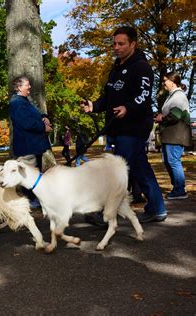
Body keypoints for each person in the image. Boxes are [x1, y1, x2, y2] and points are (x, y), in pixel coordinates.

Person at [81, 26, 166, 224]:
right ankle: (157, 208)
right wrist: (93, 106)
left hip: (133, 128)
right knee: (138, 167)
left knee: (118, 171)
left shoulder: (142, 67)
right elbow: (108, 98)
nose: (116, 48)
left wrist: (128, 108)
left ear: (133, 44)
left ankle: (105, 214)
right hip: (117, 128)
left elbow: (144, 96)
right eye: (114, 44)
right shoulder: (116, 68)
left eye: (121, 44)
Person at [9, 75, 52, 207]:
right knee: (28, 174)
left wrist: (44, 117)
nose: (30, 87)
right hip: (27, 146)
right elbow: (27, 123)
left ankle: (34, 199)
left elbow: (35, 115)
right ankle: (30, 201)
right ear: (19, 87)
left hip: (34, 145)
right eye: (27, 84)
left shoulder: (24, 101)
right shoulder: (17, 103)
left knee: (35, 171)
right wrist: (43, 127)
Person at [154, 71, 191, 199]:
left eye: (165, 81)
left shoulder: (178, 96)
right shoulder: (172, 95)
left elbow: (175, 115)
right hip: (170, 134)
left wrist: (161, 118)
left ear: (173, 81)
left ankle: (180, 190)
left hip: (176, 134)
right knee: (168, 161)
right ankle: (177, 187)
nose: (163, 83)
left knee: (174, 161)